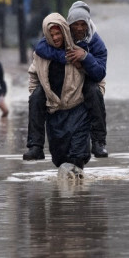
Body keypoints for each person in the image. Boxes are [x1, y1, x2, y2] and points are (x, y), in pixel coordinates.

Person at [24, 1, 108, 160]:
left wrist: (84, 57)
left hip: (84, 85)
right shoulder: (59, 35)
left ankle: (99, 142)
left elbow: (100, 74)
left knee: (94, 93)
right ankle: (35, 145)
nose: (79, 28)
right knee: (35, 97)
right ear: (68, 26)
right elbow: (41, 48)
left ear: (88, 24)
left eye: (83, 24)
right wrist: (66, 58)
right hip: (57, 94)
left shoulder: (96, 44)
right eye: (75, 24)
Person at [28, 13, 92, 170]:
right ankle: (35, 146)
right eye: (52, 35)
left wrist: (83, 63)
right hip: (55, 112)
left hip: (78, 110)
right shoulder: (41, 54)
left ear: (64, 31)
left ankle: (99, 142)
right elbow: (33, 76)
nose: (55, 38)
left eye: (58, 33)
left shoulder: (80, 50)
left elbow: (97, 75)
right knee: (60, 160)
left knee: (77, 157)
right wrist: (37, 96)